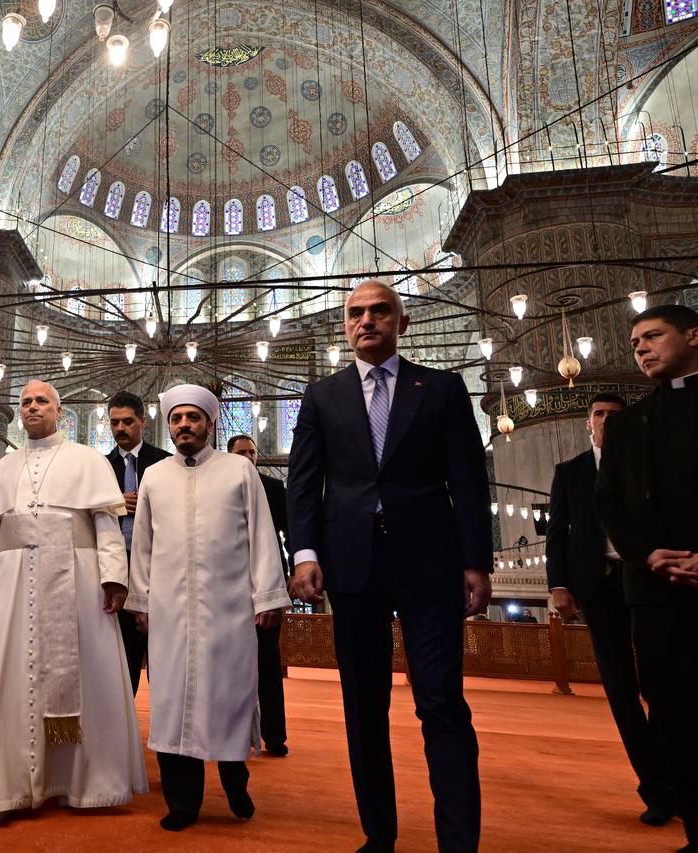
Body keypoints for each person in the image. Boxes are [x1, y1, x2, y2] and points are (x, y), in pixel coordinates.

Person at [287, 281, 492, 853]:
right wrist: (304, 554)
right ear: (344, 325)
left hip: (431, 563)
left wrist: (477, 561)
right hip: (352, 566)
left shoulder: (443, 388)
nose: (367, 320)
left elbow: (468, 481)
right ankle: (380, 836)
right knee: (363, 705)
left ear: (403, 322)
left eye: (380, 311)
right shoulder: (322, 397)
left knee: (441, 703)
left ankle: (459, 842)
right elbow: (304, 485)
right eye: (356, 313)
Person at [0, 380, 147, 824]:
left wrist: (114, 579)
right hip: (13, 583)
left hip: (78, 579)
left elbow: (106, 526)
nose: (32, 408)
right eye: (25, 402)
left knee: (85, 674)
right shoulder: (4, 467)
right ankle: (9, 788)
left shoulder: (86, 460)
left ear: (59, 411)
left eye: (41, 401)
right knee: (12, 674)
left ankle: (84, 784)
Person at [127, 385, 291, 831]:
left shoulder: (239, 470)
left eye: (192, 418)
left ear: (209, 423)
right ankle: (182, 801)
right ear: (168, 424)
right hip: (169, 611)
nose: (183, 425)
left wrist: (269, 595)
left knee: (229, 698)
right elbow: (142, 546)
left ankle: (235, 782)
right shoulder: (155, 476)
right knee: (173, 702)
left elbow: (262, 536)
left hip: (229, 609)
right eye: (177, 418)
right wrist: (139, 599)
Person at [596, 303, 698, 852]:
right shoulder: (628, 423)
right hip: (655, 595)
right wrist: (647, 555)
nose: (640, 347)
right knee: (674, 717)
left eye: (653, 335)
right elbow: (608, 504)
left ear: (693, 335)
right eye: (635, 341)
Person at [546, 391, 673, 826]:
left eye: (613, 415)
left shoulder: (648, 462)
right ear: (588, 423)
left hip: (649, 582)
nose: (605, 420)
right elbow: (557, 534)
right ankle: (656, 788)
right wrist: (559, 585)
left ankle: (675, 777)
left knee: (660, 685)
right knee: (620, 691)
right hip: (595, 588)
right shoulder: (571, 471)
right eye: (598, 414)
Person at [228, 433, 292, 757]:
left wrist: (295, 570)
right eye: (242, 452)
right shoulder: (221, 486)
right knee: (231, 662)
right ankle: (233, 733)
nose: (249, 457)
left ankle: (275, 735)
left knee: (268, 660)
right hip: (230, 584)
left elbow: (289, 532)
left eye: (252, 452)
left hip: (266, 583)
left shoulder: (273, 488)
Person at [105, 390, 169, 696]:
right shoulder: (101, 469)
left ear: (142, 421)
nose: (121, 429)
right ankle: (121, 736)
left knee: (163, 663)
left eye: (128, 421)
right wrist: (112, 503)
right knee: (121, 663)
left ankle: (169, 738)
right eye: (115, 423)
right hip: (117, 575)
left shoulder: (165, 463)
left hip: (159, 573)